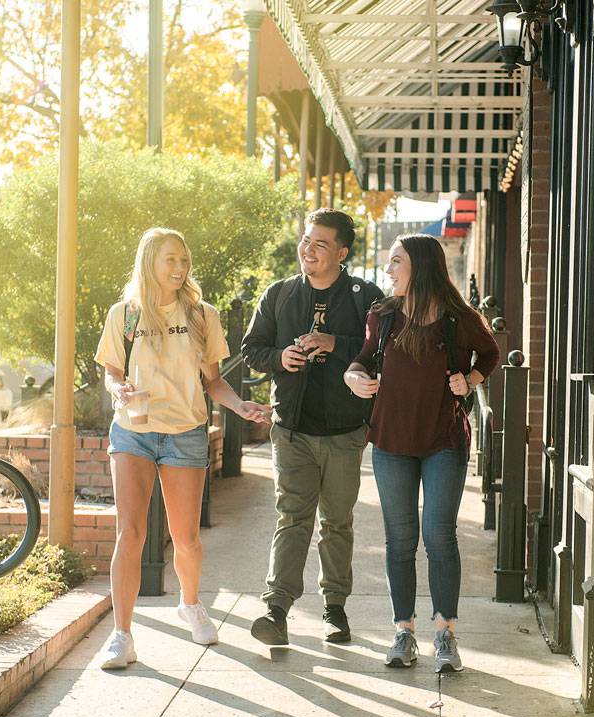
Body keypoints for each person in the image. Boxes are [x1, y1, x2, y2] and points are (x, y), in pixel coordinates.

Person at [94, 227, 270, 669]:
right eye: (170, 259)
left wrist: (239, 406)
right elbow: (112, 371)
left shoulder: (199, 315)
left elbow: (213, 380)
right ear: (150, 261)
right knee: (129, 534)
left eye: (184, 260)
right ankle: (122, 635)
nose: (179, 268)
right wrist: (119, 389)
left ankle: (190, 605)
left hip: (186, 431)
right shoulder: (126, 314)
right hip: (132, 432)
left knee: (186, 538)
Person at [344, 233, 499, 673]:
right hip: (391, 440)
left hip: (443, 440)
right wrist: (352, 378)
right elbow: (361, 359)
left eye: (397, 262)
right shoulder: (383, 316)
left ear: (421, 267)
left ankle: (446, 634)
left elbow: (490, 353)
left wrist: (469, 380)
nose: (389, 270)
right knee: (400, 540)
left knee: (439, 536)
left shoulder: (457, 318)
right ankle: (404, 632)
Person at [242, 208, 383, 645]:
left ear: (341, 252)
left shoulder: (365, 297)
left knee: (337, 522)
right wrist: (279, 358)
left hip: (344, 431)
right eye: (306, 240)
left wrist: (334, 344)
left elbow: (379, 350)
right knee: (292, 517)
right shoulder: (280, 293)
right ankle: (276, 608)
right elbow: (251, 349)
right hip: (292, 428)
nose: (308, 249)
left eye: (320, 243)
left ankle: (334, 609)